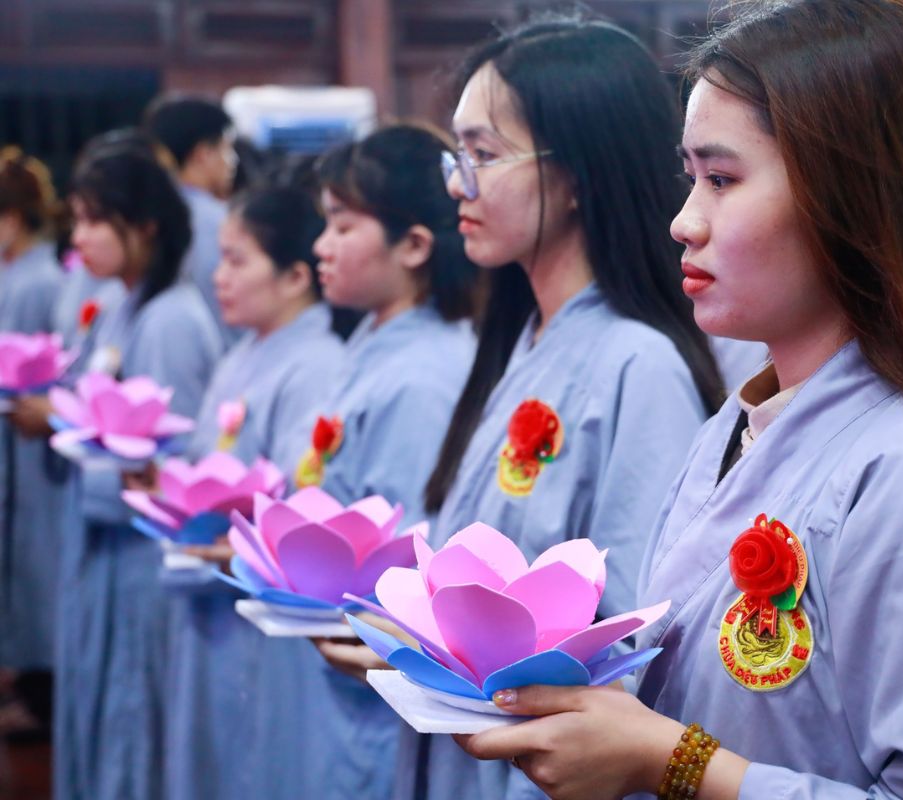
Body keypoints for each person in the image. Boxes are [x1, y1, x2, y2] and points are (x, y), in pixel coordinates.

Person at [456, 2, 903, 798]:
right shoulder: (732, 430)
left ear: (851, 195)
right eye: (689, 179)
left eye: (722, 179)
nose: (684, 222)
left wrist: (671, 762)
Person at [357, 15, 723, 800]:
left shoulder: (638, 365)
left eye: (484, 155)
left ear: (578, 171)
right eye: (459, 156)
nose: (460, 182)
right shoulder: (524, 340)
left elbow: (639, 641)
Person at [240, 123, 480, 800]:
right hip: (329, 664)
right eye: (324, 225)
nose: (321, 246)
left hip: (365, 681)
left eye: (343, 226)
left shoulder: (422, 376)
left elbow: (403, 560)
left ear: (413, 245)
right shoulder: (374, 348)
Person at [51, 136, 223, 799]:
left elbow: (173, 469)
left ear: (145, 225)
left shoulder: (172, 321)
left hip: (140, 567)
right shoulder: (125, 305)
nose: (81, 236)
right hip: (103, 554)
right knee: (101, 713)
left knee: (133, 724)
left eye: (97, 219)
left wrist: (79, 453)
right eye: (77, 218)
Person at [161, 184, 346, 800]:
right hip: (213, 595)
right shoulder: (244, 351)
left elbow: (296, 499)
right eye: (220, 258)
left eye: (238, 260)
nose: (220, 277)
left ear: (296, 275)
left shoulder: (315, 363)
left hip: (257, 615)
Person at [0, 147, 65, 734]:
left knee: (38, 571)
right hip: (21, 446)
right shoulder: (21, 275)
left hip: (36, 447)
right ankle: (28, 682)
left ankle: (41, 693)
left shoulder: (35, 281)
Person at [144, 94, 239, 344]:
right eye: (227, 148)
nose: (233, 161)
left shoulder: (146, 214)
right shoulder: (222, 221)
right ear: (202, 154)